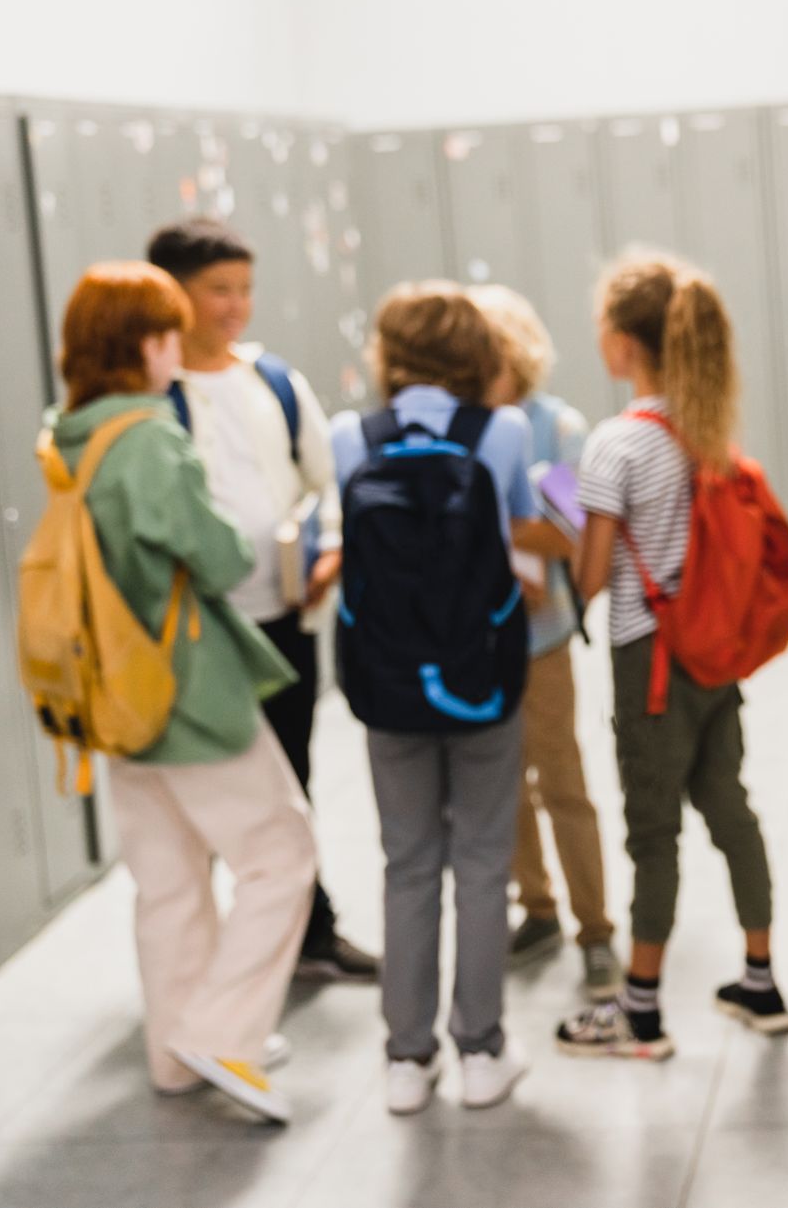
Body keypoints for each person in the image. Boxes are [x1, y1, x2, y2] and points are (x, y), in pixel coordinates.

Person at [48, 262, 316, 1125]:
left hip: (111, 693)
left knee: (167, 881)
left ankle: (174, 1052)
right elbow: (221, 554)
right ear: (144, 343)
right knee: (282, 851)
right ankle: (224, 1031)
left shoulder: (70, 435)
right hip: (186, 687)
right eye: (168, 331)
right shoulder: (151, 438)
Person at [554, 251, 788, 1062]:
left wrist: (559, 540)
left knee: (652, 833)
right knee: (729, 806)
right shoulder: (707, 433)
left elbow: (590, 577)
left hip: (647, 658)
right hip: (713, 654)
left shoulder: (615, 444)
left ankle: (641, 1011)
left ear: (623, 344)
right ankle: (761, 979)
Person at [144, 218, 378, 984]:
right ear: (171, 292)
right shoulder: (150, 396)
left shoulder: (271, 380)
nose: (236, 306)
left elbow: (325, 480)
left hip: (279, 621)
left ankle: (310, 933)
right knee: (202, 800)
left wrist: (334, 547)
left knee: (291, 784)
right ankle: (216, 957)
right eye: (219, 290)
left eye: (245, 289)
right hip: (194, 634)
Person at [331, 282, 542, 1114]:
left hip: (387, 681)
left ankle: (405, 1060)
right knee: (485, 861)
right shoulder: (505, 430)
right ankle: (482, 1050)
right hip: (482, 676)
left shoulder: (353, 435)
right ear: (474, 352)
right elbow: (520, 521)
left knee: (407, 863)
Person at [471, 283, 622, 1000]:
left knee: (562, 782)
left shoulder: (555, 428)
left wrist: (491, 529)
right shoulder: (458, 428)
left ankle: (595, 930)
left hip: (541, 640)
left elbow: (571, 534)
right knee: (502, 786)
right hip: (475, 636)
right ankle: (536, 908)